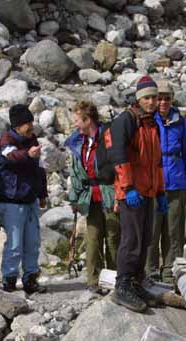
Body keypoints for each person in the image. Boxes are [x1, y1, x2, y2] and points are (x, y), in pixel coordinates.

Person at [108, 75, 168, 312]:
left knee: (145, 239)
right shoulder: (127, 120)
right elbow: (119, 156)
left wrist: (161, 191)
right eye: (147, 98)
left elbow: (156, 163)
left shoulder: (152, 124)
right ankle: (121, 286)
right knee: (131, 240)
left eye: (154, 97)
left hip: (148, 191)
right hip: (131, 192)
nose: (152, 102)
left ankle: (136, 281)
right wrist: (128, 187)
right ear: (139, 99)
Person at [145, 80, 186, 284]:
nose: (163, 102)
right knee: (151, 232)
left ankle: (171, 273)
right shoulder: (148, 121)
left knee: (174, 232)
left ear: (172, 99)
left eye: (166, 98)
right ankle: (149, 273)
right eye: (159, 98)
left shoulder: (180, 122)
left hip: (176, 183)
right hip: (153, 185)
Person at [66, 101, 120, 293]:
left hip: (109, 194)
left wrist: (120, 195)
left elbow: (118, 167)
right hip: (90, 197)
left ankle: (115, 280)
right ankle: (94, 280)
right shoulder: (78, 143)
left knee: (113, 238)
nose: (75, 124)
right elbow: (75, 173)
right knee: (93, 239)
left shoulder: (108, 138)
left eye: (77, 120)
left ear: (87, 120)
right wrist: (74, 199)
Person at [0, 104, 48, 293]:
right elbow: (11, 156)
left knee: (32, 243)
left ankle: (30, 279)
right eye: (27, 123)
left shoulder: (32, 139)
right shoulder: (5, 141)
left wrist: (42, 193)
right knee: (15, 244)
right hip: (12, 201)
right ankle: (9, 280)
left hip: (30, 199)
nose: (31, 126)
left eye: (31, 122)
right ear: (17, 126)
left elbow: (39, 168)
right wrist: (28, 154)